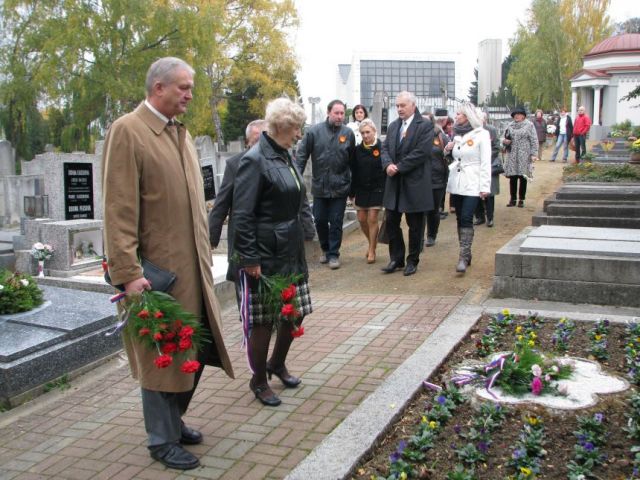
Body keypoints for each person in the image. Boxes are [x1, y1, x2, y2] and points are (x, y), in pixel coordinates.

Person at [102, 57, 234, 470]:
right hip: (156, 275)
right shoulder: (129, 131)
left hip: (193, 267)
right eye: (183, 88)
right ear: (158, 88)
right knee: (162, 353)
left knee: (192, 346)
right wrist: (128, 275)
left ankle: (173, 421)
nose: (190, 95)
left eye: (190, 87)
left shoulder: (180, 133)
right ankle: (161, 440)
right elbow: (118, 209)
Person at [231, 97, 312, 407]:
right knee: (264, 321)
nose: (299, 135)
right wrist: (250, 258)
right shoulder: (256, 159)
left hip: (290, 248)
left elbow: (297, 201)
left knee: (295, 312)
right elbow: (242, 215)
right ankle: (259, 380)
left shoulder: (283, 155)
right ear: (284, 126)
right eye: (297, 129)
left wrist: (306, 234)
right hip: (265, 253)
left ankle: (276, 364)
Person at [296, 99, 355, 270]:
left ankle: (334, 254)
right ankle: (325, 248)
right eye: (336, 113)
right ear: (329, 113)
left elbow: (352, 160)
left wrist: (352, 184)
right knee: (320, 220)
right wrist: (297, 178)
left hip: (340, 186)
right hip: (320, 186)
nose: (339, 116)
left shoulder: (348, 134)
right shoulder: (314, 132)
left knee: (336, 221)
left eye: (342, 113)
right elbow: (301, 156)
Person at [380, 91, 433, 276]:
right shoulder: (394, 126)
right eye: (397, 106)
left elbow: (422, 152)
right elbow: (385, 147)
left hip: (414, 183)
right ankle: (396, 258)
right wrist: (387, 164)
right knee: (392, 222)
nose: (399, 109)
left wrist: (399, 167)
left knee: (415, 225)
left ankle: (413, 260)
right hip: (394, 183)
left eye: (403, 105)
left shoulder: (424, 125)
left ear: (413, 105)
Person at [444, 103, 491, 273]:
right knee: (459, 218)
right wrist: (448, 149)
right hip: (457, 182)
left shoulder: (481, 134)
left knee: (466, 217)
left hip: (473, 182)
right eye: (456, 114)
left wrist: (485, 186)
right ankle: (466, 252)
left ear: (468, 116)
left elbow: (486, 162)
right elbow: (455, 157)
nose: (456, 117)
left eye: (460, 114)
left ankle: (463, 256)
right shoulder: (456, 134)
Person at [209, 119, 267, 255]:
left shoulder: (279, 161)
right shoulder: (235, 164)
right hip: (243, 236)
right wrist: (212, 238)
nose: (261, 144)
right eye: (257, 139)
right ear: (248, 142)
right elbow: (222, 203)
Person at [349, 118, 385, 263]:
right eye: (362, 133)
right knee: (362, 219)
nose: (365, 135)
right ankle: (372, 242)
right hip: (361, 189)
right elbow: (354, 172)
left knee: (372, 218)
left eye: (368, 132)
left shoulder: (382, 147)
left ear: (374, 131)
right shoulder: (357, 150)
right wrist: (351, 193)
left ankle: (372, 250)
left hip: (377, 188)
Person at [502, 106, 538, 208]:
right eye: (515, 115)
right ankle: (512, 199)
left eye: (519, 114)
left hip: (524, 154)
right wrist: (504, 141)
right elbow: (503, 137)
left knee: (523, 177)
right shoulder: (509, 125)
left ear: (523, 116)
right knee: (512, 177)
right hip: (512, 154)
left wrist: (534, 154)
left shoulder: (529, 125)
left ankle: (521, 199)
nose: (516, 116)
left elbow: (534, 140)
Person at [424, 112, 449, 247]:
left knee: (433, 210)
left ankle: (432, 235)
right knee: (421, 210)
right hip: (421, 179)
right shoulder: (415, 136)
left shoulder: (440, 135)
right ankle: (419, 237)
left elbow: (448, 154)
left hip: (437, 178)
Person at [474, 112, 502, 227]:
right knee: (475, 192)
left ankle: (490, 218)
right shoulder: (472, 131)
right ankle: (479, 216)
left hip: (490, 164)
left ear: (484, 120)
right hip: (475, 165)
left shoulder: (491, 130)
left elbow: (496, 147)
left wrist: (485, 156)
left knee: (489, 193)